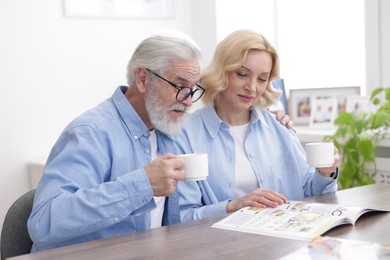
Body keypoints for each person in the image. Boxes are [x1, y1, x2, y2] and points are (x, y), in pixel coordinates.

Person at [27, 30, 204, 251]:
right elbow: (44, 223)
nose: (188, 102)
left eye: (193, 89)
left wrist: (230, 207)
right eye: (180, 87)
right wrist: (143, 184)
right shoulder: (91, 132)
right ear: (142, 79)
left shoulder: (167, 129)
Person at [174, 29, 340, 222]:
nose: (252, 88)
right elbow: (182, 216)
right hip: (221, 246)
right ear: (222, 71)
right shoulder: (185, 134)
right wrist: (234, 206)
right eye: (243, 74)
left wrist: (326, 172)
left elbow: (310, 192)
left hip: (281, 240)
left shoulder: (278, 127)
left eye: (262, 79)